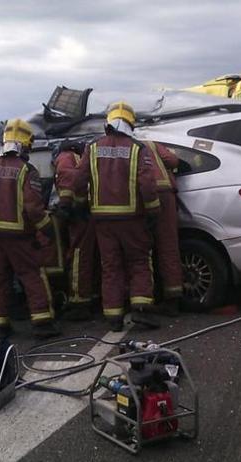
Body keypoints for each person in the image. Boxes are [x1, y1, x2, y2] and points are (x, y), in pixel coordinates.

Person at [0, 118, 60, 338]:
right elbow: (33, 207)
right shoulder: (26, 170)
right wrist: (48, 229)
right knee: (32, 276)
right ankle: (42, 323)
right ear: (25, 143)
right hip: (19, 237)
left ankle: (0, 323)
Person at [73, 101, 160, 331]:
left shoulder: (92, 148)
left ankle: (113, 317)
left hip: (102, 220)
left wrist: (81, 205)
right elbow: (148, 184)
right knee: (139, 262)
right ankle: (141, 310)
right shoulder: (137, 149)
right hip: (132, 219)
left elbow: (79, 181)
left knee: (110, 266)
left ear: (108, 123)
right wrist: (153, 210)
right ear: (130, 124)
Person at [54, 139, 95, 321]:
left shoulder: (65, 157)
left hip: (79, 216)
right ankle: (91, 294)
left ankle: (79, 300)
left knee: (78, 256)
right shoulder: (81, 157)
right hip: (89, 212)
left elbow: (68, 179)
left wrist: (65, 206)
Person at [143, 140, 183, 314]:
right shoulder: (151, 143)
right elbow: (173, 161)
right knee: (168, 245)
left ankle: (148, 297)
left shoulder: (126, 146)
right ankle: (173, 297)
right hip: (166, 195)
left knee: (143, 250)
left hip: (142, 197)